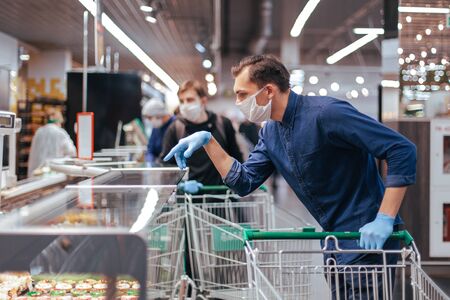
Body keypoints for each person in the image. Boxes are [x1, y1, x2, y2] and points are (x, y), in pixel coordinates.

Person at [164, 55, 417, 297]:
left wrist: (384, 217)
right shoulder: (271, 132)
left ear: (269, 91)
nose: (239, 101)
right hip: (334, 240)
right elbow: (244, 182)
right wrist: (209, 142)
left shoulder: (327, 113)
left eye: (243, 94)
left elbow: (401, 149)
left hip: (367, 236)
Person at [160, 80, 243, 194]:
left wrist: (237, 185)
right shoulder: (175, 128)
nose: (185, 105)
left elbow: (236, 156)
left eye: (190, 100)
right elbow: (166, 164)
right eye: (181, 101)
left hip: (221, 197)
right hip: (189, 198)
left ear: (203, 101)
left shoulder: (222, 124)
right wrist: (182, 185)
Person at [28, 109, 76, 177]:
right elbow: (72, 152)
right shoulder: (60, 133)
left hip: (36, 175)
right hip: (53, 176)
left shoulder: (39, 132)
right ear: (59, 120)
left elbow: (33, 155)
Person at [141, 98, 175, 163]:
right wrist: (149, 160)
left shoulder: (175, 125)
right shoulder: (156, 127)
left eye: (150, 118)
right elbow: (150, 148)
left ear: (159, 115)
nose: (149, 121)